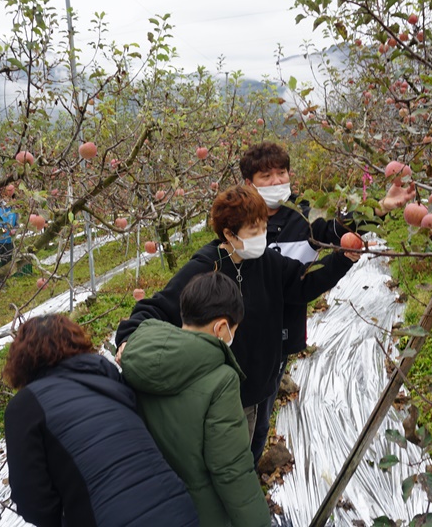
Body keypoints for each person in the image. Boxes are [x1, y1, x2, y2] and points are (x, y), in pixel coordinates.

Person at [116, 185, 359, 443]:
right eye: (253, 231)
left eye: (264, 228)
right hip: (223, 396)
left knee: (256, 441)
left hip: (263, 384)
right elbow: (158, 307)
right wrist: (129, 337)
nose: (262, 237)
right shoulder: (205, 268)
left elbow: (303, 282)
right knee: (232, 458)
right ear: (229, 234)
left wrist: (342, 259)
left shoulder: (268, 261)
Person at [239, 142, 416, 465]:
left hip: (279, 334)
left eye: (282, 173)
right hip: (238, 334)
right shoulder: (239, 221)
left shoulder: (304, 217)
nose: (277, 180)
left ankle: (246, 470)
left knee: (260, 415)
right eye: (266, 176)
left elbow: (340, 230)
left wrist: (381, 207)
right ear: (249, 183)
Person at [3, 314, 199, 527]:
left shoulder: (25, 406)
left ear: (20, 359)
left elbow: (31, 500)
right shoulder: (108, 379)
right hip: (178, 509)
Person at [122, 272, 270, 527]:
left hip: (146, 501)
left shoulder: (138, 351)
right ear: (222, 327)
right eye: (234, 329)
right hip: (197, 512)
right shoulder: (220, 380)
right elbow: (231, 470)